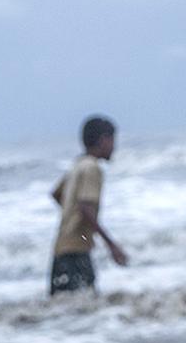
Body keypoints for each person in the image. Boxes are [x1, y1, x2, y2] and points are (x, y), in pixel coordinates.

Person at [48, 115, 127, 295]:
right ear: (103, 140)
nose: (114, 146)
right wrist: (111, 245)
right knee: (85, 300)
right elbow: (85, 208)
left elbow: (56, 194)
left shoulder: (78, 165)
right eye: (112, 140)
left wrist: (70, 215)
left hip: (61, 248)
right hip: (76, 250)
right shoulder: (92, 168)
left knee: (65, 305)